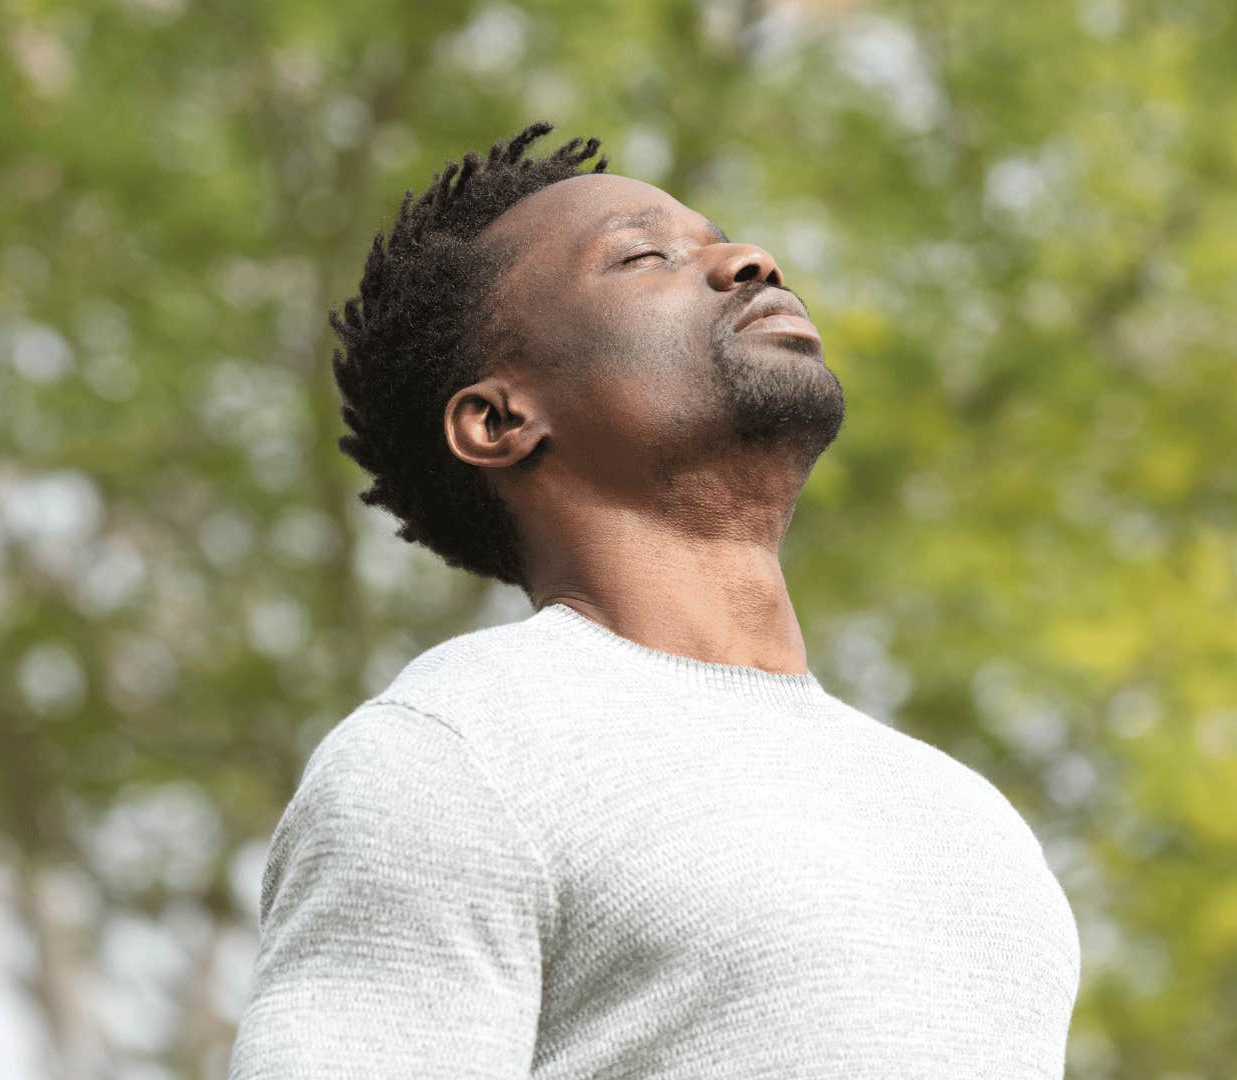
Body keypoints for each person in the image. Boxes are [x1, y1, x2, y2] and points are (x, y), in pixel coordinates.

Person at [227, 121, 1081, 1079]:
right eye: (644, 256)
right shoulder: (454, 754)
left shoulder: (963, 814)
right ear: (501, 419)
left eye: (724, 239)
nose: (746, 261)